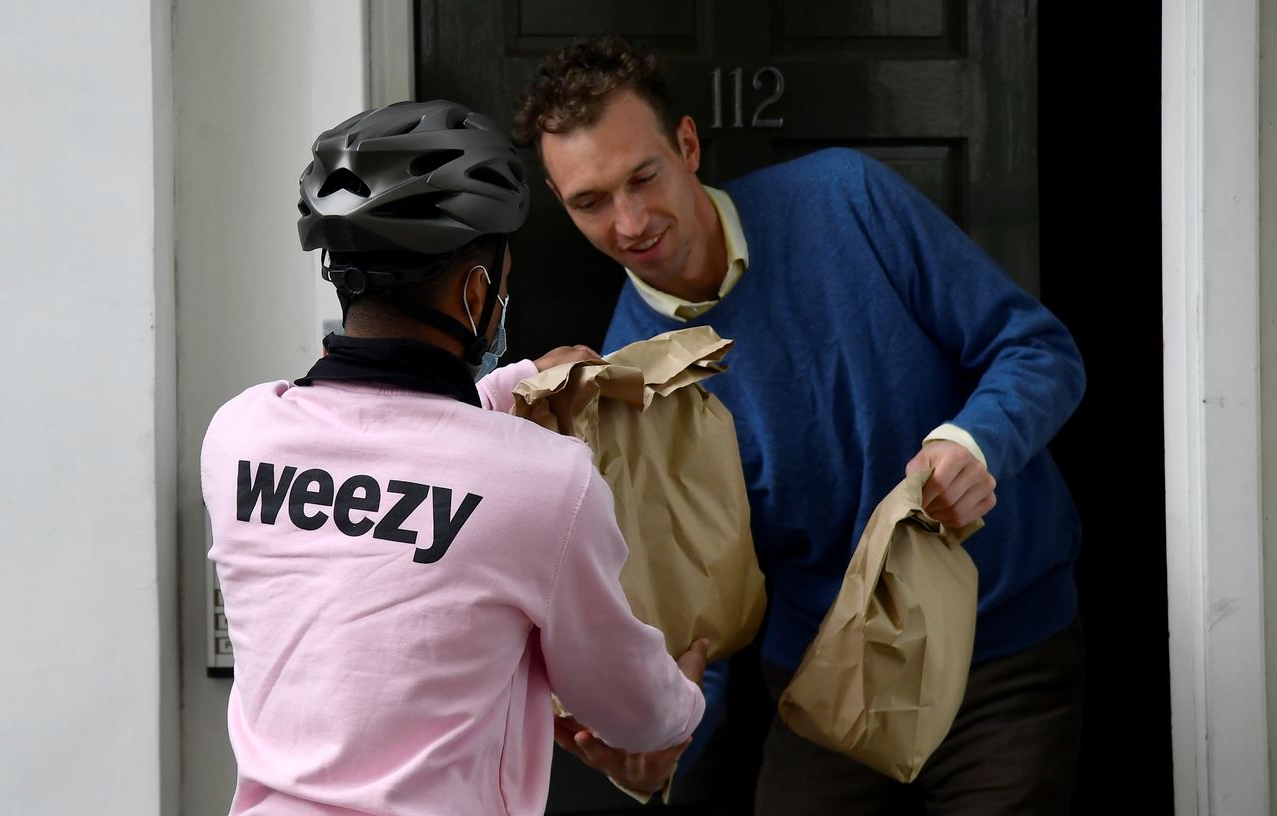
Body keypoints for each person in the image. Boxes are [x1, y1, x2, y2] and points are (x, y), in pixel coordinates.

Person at [511, 36, 1087, 815]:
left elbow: (1039, 351)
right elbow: (699, 615)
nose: (631, 221)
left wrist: (972, 443)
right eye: (591, 202)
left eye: (643, 177)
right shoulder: (625, 381)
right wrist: (659, 747)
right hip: (827, 679)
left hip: (1004, 651)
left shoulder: (847, 197)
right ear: (559, 200)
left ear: (687, 146)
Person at [201, 99, 707, 816]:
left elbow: (389, 453)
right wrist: (684, 702)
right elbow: (630, 713)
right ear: (476, 292)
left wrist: (511, 385)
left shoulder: (238, 436)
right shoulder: (549, 483)